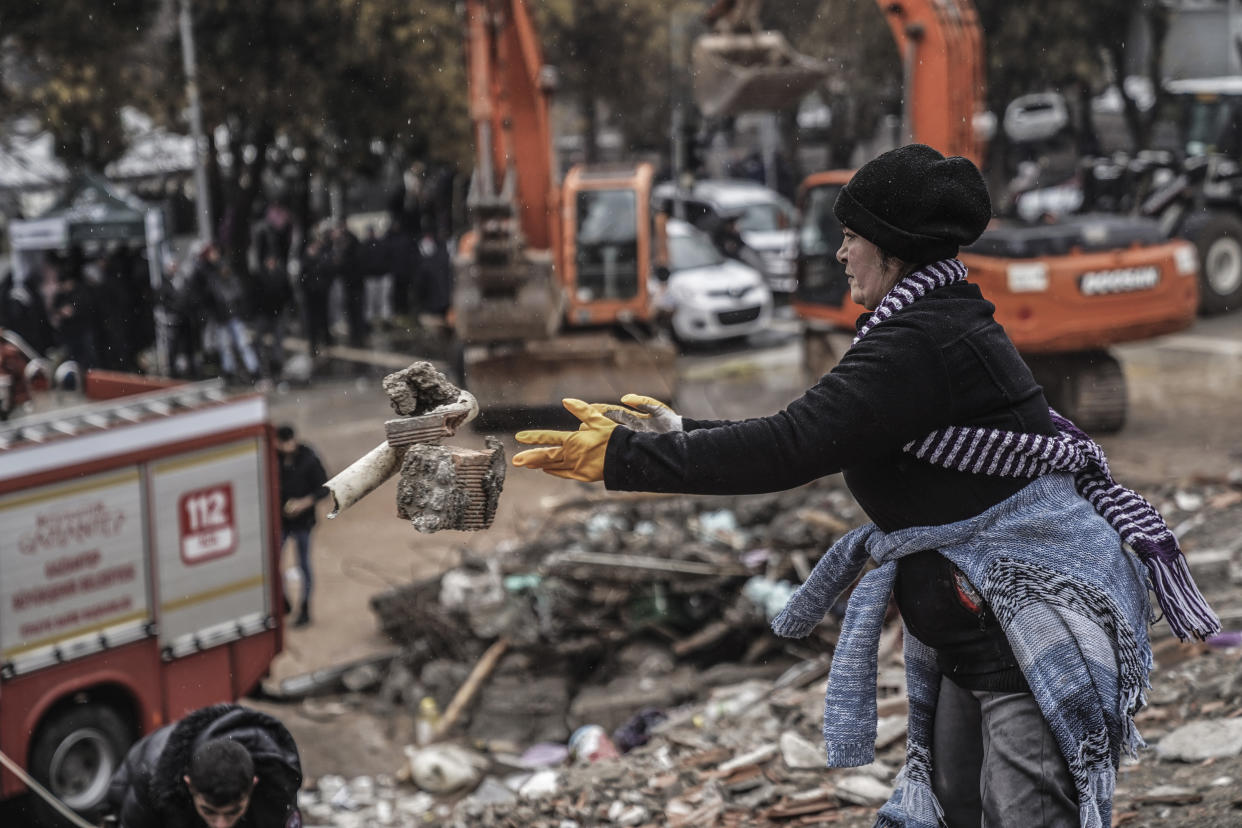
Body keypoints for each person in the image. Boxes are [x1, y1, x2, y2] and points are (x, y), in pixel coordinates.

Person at [512, 145, 1219, 827]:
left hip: (1022, 636)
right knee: (954, 807)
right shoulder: (922, 323)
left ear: (894, 248)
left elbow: (792, 447)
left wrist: (625, 460)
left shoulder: (923, 342)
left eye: (852, 238)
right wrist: (676, 433)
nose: (841, 254)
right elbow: (815, 427)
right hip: (975, 640)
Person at [105, 702, 302, 828]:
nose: (221, 826)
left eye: (234, 811)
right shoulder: (152, 776)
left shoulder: (277, 784)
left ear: (253, 785)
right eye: (209, 811)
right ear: (189, 785)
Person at [275, 424, 329, 627]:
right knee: (275, 564)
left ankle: (305, 607)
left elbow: (323, 488)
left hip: (303, 521)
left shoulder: (308, 458)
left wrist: (303, 503)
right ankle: (283, 601)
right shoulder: (274, 459)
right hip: (281, 522)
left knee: (303, 564)